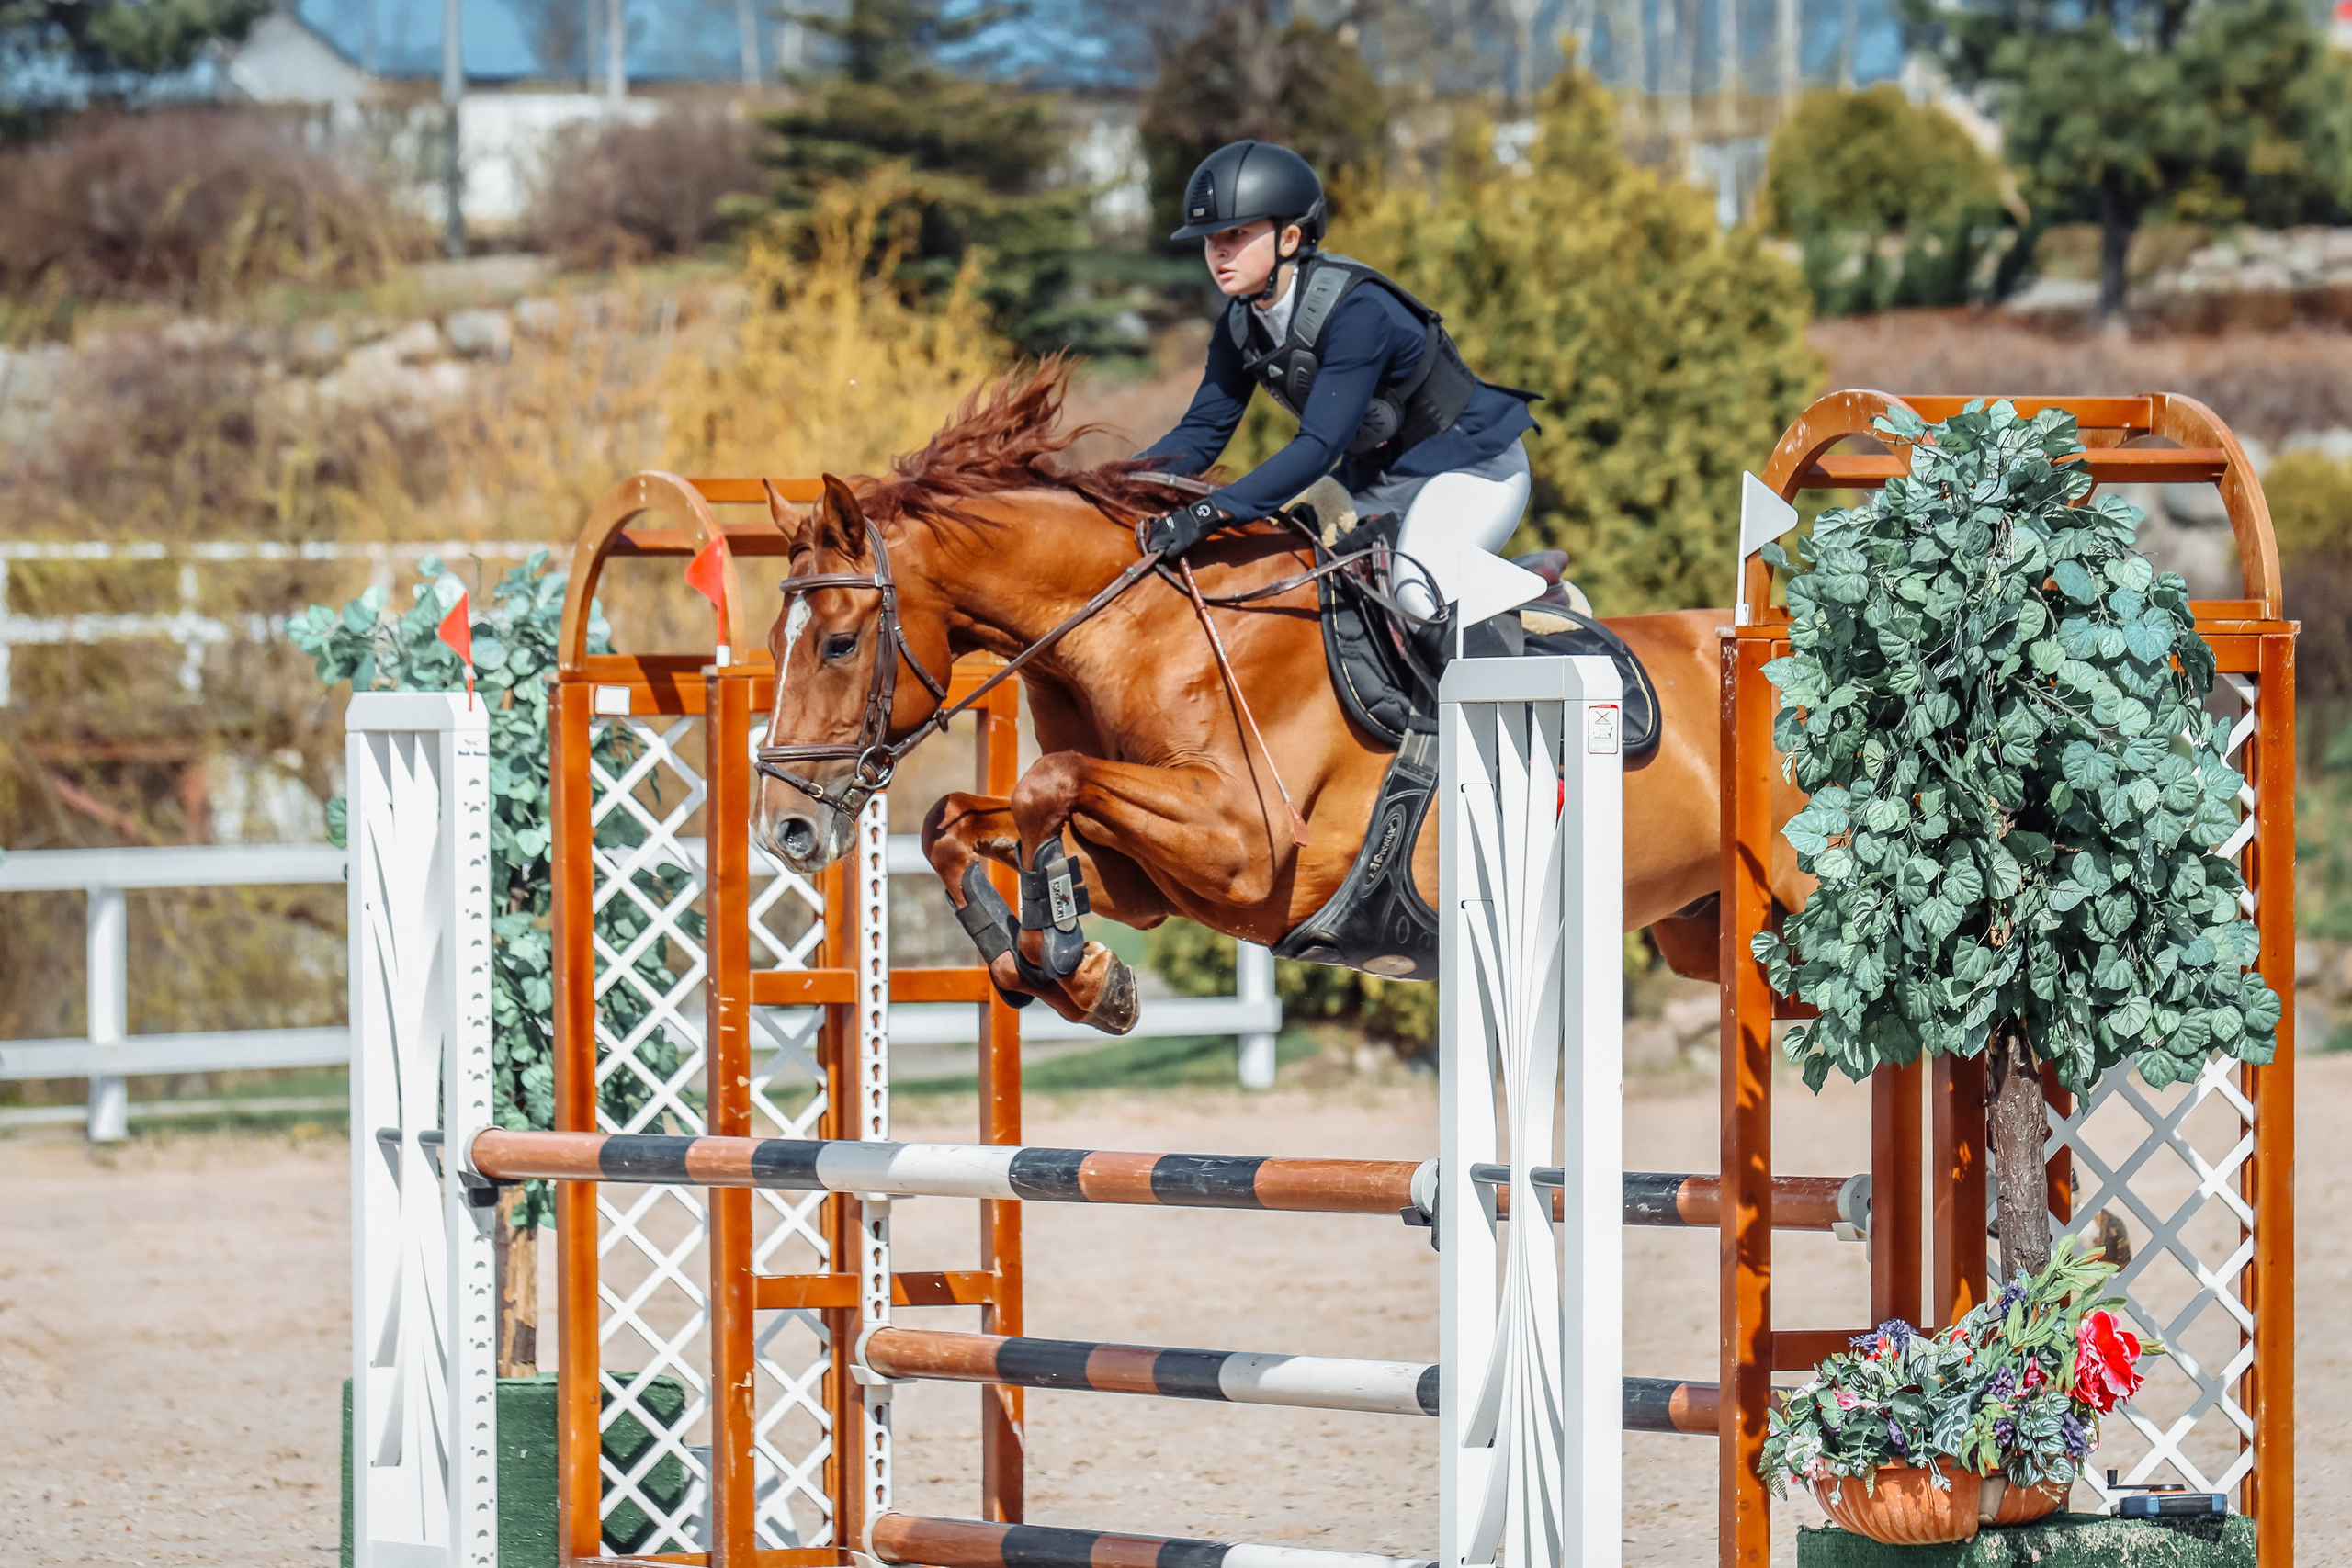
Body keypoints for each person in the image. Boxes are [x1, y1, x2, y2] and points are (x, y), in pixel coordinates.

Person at [1136, 139, 1542, 625]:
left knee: (1416, 595)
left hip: (1473, 467)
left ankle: (1543, 602)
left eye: (1236, 233)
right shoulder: (1240, 323)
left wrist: (1210, 513)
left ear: (1289, 238)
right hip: (1385, 480)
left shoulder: (1357, 310)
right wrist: (1117, 483)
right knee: (1294, 574)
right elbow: (1201, 434)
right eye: (1208, 239)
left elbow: (1318, 447)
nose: (1217, 250)